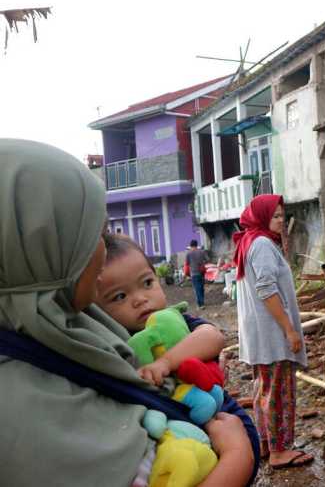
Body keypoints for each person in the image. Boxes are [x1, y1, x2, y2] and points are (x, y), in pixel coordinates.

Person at [0, 139, 258, 487]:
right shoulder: (20, 416)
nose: (104, 249)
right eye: (93, 233)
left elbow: (207, 337)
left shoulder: (73, 323)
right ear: (38, 253)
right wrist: (237, 458)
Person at [234, 194, 312, 469]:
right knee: (278, 391)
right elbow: (266, 290)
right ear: (262, 217)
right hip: (272, 333)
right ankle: (280, 450)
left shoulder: (249, 242)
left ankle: (266, 444)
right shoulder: (263, 244)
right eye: (276, 216)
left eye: (282, 216)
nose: (280, 221)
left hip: (259, 335)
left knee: (264, 389)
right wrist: (290, 330)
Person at [96, 233, 223, 387]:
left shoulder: (173, 320)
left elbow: (214, 337)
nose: (140, 299)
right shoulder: (115, 343)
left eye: (147, 282)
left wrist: (166, 362)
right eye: (120, 296)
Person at [185, 239, 208, 310]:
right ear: (196, 245)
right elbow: (207, 259)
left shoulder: (188, 253)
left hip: (194, 273)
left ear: (191, 245)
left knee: (197, 288)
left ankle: (201, 304)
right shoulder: (202, 252)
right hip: (202, 272)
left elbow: (187, 263)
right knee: (201, 287)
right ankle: (202, 301)